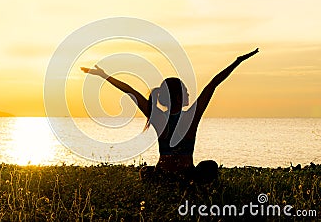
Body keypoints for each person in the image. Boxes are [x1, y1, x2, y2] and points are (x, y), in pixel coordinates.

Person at [81, 48, 259, 183]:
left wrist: (103, 75)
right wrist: (237, 62)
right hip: (185, 177)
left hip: (163, 176)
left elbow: (130, 91)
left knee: (147, 172)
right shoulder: (192, 116)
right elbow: (213, 84)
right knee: (210, 167)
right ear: (177, 96)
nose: (189, 95)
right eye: (186, 92)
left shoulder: (158, 117)